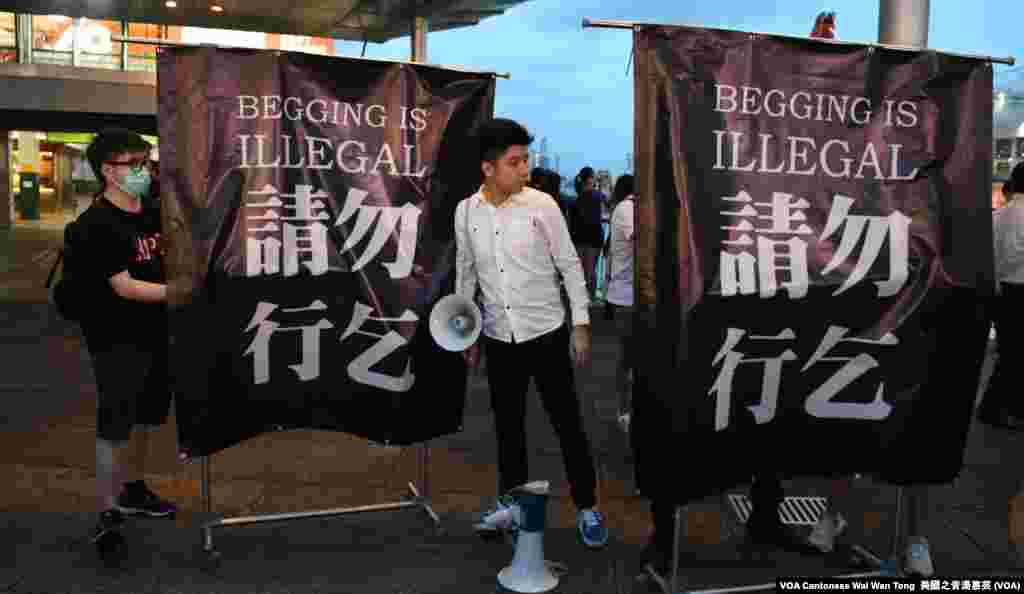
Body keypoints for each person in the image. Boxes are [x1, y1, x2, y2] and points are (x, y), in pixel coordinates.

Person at [456, 119, 609, 549]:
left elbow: (570, 265)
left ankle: (587, 507)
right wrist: (465, 330)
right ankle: (514, 509)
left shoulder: (542, 205)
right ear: (488, 168)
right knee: (509, 431)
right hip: (499, 339)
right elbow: (466, 275)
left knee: (568, 426)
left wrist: (580, 324)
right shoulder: (465, 212)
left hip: (546, 334)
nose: (525, 169)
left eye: (526, 160)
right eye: (515, 162)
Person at [75, 129, 176, 553]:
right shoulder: (95, 224)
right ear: (107, 171)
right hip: (116, 338)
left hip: (157, 334)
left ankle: (133, 490)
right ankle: (107, 509)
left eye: (145, 162)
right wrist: (184, 292)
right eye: (132, 164)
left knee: (148, 418)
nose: (142, 171)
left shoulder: (152, 212)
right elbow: (125, 286)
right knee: (116, 422)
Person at [978, 163, 1024, 430]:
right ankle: (995, 408)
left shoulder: (997, 216)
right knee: (1015, 355)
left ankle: (1000, 408)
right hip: (1019, 292)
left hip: (1000, 292)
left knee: (1010, 352)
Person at [604, 174, 635, 430]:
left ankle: (630, 407)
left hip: (634, 296)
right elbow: (641, 243)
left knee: (637, 357)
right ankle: (624, 410)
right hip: (626, 298)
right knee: (628, 358)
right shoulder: (627, 209)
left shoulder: (629, 208)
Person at [573, 167, 606, 300]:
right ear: (591, 179)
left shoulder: (577, 197)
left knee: (580, 271)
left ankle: (580, 299)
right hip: (593, 236)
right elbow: (609, 202)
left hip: (579, 236)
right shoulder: (597, 195)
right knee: (591, 271)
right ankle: (591, 298)